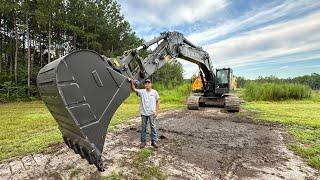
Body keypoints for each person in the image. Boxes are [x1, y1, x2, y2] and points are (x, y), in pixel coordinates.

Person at [128, 78, 160, 148]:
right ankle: (143, 142)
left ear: (151, 84)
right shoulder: (142, 92)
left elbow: (157, 101)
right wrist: (132, 82)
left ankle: (154, 142)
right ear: (144, 85)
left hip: (152, 113)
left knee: (153, 127)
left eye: (149, 83)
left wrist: (157, 112)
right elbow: (134, 89)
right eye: (146, 83)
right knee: (143, 128)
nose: (147, 84)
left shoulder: (154, 92)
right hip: (144, 114)